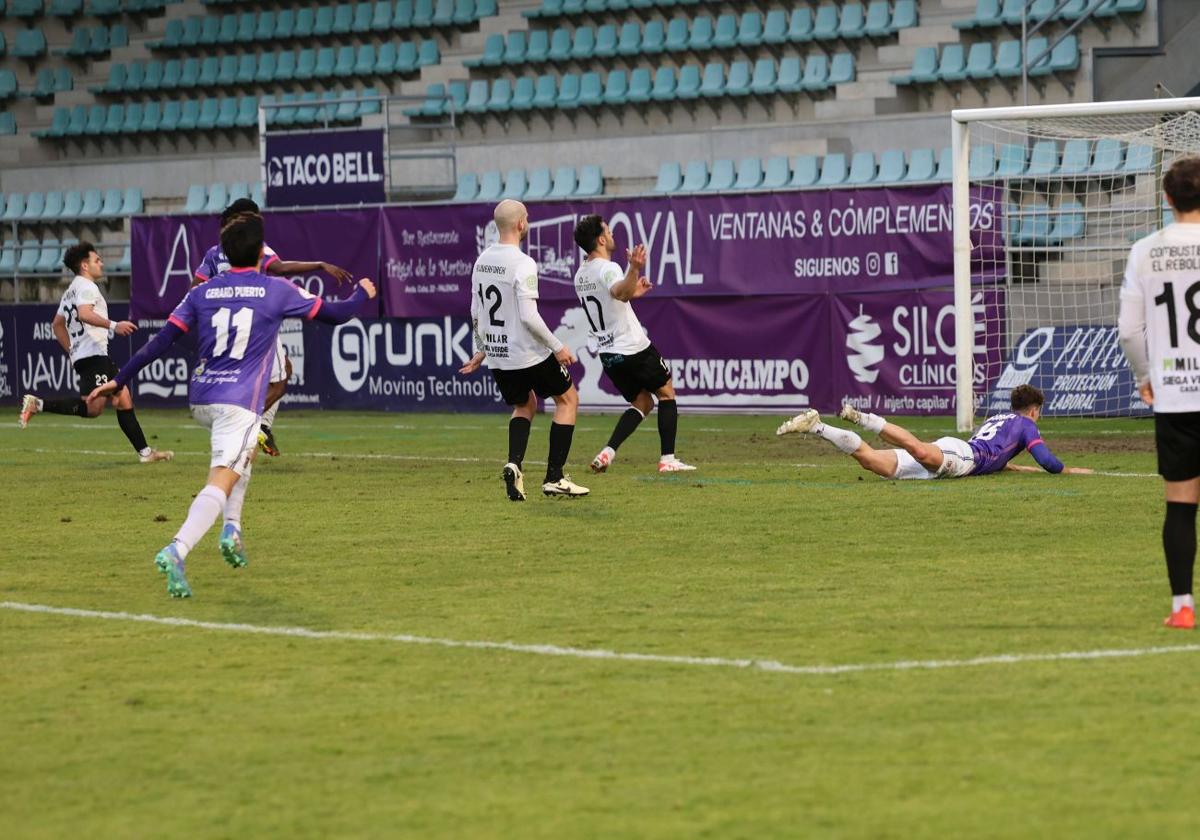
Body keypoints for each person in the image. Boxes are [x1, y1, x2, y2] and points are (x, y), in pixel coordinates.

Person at [91, 213, 377, 598]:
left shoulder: (201, 292)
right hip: (237, 401)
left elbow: (160, 342)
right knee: (222, 476)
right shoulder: (276, 289)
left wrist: (120, 378)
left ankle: (233, 530)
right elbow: (337, 314)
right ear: (262, 252)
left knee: (244, 453)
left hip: (202, 398)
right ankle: (177, 549)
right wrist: (363, 293)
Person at [192, 198, 354, 458]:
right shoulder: (253, 246)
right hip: (257, 322)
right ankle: (255, 426)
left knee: (279, 370)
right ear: (245, 219)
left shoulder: (214, 252)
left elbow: (194, 288)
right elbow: (279, 267)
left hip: (224, 329)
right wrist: (320, 264)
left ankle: (253, 426)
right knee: (278, 384)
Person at [458, 199, 589, 500]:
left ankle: (514, 465)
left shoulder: (481, 261)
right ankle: (554, 477)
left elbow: (476, 310)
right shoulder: (523, 262)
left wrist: (481, 350)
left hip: (499, 356)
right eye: (527, 218)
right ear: (520, 224)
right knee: (568, 399)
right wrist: (557, 347)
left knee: (524, 405)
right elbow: (529, 316)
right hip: (527, 352)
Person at [1118, 155, 1200, 630]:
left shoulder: (1146, 250)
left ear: (1167, 199)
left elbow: (1130, 331)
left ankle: (1182, 608)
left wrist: (1145, 375)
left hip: (1176, 396)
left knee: (1181, 505)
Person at [18, 242, 173, 464]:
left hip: (87, 356)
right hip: (94, 355)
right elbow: (84, 314)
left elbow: (57, 324)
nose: (101, 263)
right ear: (84, 265)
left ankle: (146, 453)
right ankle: (38, 404)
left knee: (120, 397)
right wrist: (114, 325)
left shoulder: (71, 290)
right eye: (96, 260)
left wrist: (72, 351)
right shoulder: (87, 287)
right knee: (95, 407)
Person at [571, 214, 696, 474]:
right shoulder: (609, 268)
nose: (613, 234)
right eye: (608, 230)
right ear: (601, 239)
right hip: (632, 347)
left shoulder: (581, 274)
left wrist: (633, 288)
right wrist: (634, 269)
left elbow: (616, 297)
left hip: (607, 354)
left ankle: (607, 453)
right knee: (666, 393)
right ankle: (668, 460)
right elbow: (619, 292)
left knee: (642, 402)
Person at [777, 385, 1091, 482]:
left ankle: (817, 426)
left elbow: (996, 455)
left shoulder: (1000, 418)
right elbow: (1047, 461)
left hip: (962, 451)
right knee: (920, 450)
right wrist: (1069, 470)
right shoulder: (1027, 424)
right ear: (1035, 409)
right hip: (964, 457)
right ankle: (862, 417)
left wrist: (1017, 467)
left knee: (873, 463)